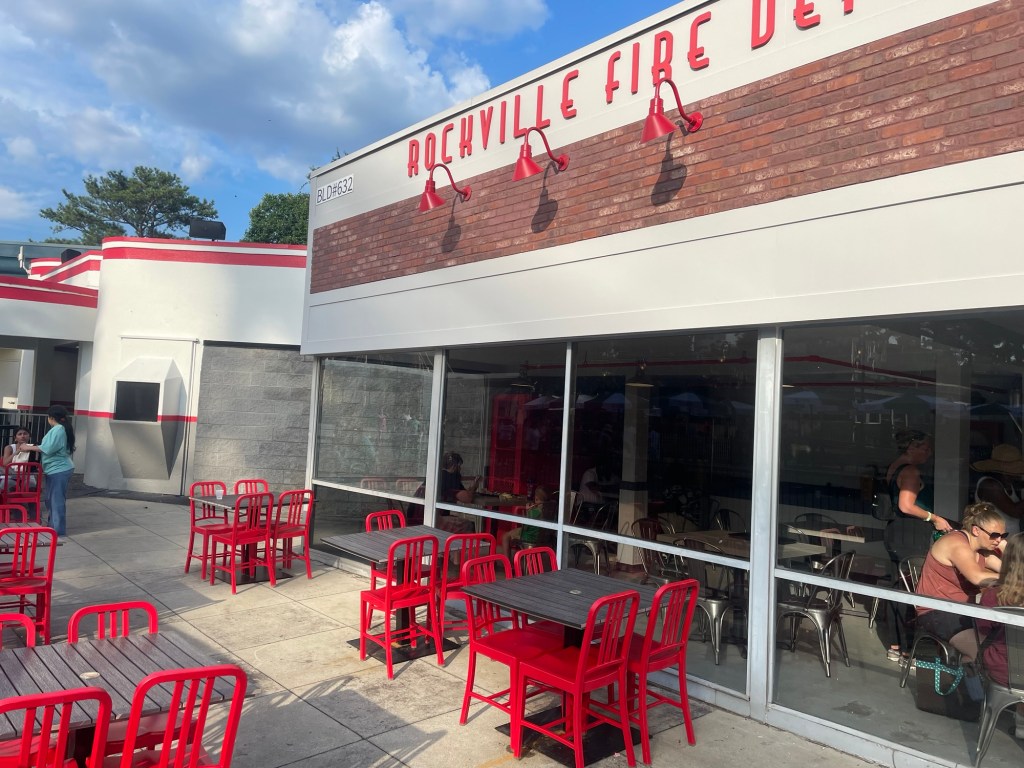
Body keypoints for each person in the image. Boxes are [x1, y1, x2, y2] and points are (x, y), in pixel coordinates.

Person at [915, 501, 1006, 660]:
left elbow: (1014, 569)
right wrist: (1009, 579)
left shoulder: (982, 550)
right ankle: (969, 674)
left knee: (1005, 643)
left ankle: (967, 672)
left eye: (1002, 535)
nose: (998, 540)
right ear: (976, 530)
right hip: (937, 611)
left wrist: (1005, 547)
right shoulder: (956, 543)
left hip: (963, 611)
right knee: (988, 655)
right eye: (994, 535)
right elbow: (977, 577)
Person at [977, 532, 1024, 736]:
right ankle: (1021, 721)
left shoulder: (993, 596)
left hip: (1004, 672)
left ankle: (1021, 722)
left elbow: (981, 632)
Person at [18, 405, 76, 536]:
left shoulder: (58, 429)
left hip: (59, 469)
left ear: (50, 417)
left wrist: (28, 447)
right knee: (50, 499)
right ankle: (52, 526)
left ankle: (58, 530)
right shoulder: (60, 428)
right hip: (54, 469)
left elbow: (48, 448)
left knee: (56, 500)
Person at [886, 428, 953, 534]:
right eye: (926, 449)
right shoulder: (910, 471)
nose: (930, 453)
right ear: (911, 449)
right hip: (912, 530)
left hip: (898, 526)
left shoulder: (893, 466)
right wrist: (935, 518)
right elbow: (906, 506)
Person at [972, 444, 1024, 536]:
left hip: (1009, 541)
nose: (1015, 474)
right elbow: (1015, 512)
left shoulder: (1008, 482)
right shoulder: (990, 486)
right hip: (994, 542)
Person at [499, 485, 551, 557]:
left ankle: (508, 564)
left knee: (505, 536)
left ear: (536, 498)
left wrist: (528, 511)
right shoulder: (549, 509)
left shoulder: (534, 512)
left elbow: (525, 527)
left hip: (530, 537)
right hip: (543, 537)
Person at [2, 426, 37, 491]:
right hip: (11, 476)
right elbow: (5, 463)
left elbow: (34, 467)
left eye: (25, 434)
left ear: (29, 436)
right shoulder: (9, 448)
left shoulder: (33, 448)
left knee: (31, 487)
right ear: (15, 438)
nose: (23, 436)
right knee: (8, 485)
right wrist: (18, 451)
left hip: (27, 476)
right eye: (19, 434)